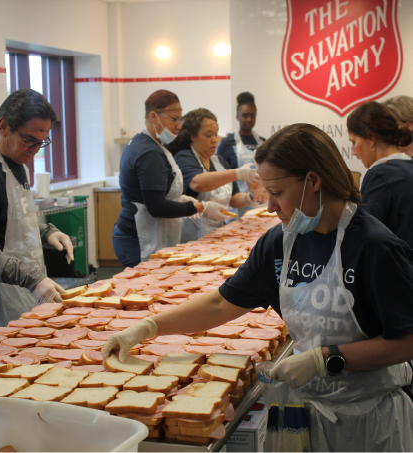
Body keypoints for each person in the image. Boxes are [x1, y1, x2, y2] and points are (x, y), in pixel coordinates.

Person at [103, 123, 413, 452]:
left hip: (368, 420)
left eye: (277, 193)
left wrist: (326, 359)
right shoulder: (279, 244)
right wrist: (147, 327)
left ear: (313, 181)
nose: (270, 207)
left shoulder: (374, 247)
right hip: (304, 410)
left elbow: (407, 340)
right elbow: (220, 305)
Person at [0, 88, 75, 336]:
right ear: (4, 126)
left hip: (16, 287)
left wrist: (47, 231)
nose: (35, 149)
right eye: (29, 140)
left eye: (42, 142)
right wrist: (31, 279)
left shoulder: (18, 165)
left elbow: (11, 222)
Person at [114, 90, 219, 267]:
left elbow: (164, 194)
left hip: (145, 232)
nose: (179, 125)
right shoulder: (149, 152)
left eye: (180, 119)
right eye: (174, 119)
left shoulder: (154, 146)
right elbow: (157, 206)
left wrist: (183, 200)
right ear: (153, 116)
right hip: (138, 237)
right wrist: (201, 207)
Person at [171, 108, 260, 242]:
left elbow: (233, 199)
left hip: (216, 235)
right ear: (193, 136)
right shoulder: (184, 157)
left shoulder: (219, 161)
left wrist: (251, 197)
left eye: (215, 134)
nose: (214, 140)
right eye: (208, 135)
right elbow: (197, 183)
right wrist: (238, 173)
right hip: (191, 237)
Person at [348, 101, 413, 249]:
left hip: (395, 269)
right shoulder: (408, 169)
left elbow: (363, 234)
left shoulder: (380, 175)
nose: (353, 152)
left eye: (354, 142)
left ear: (371, 138)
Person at [217, 92, 269, 212]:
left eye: (252, 115)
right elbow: (220, 174)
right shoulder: (226, 143)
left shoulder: (264, 142)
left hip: (263, 203)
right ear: (237, 116)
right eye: (245, 116)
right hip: (237, 203)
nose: (249, 119)